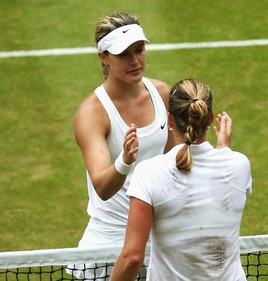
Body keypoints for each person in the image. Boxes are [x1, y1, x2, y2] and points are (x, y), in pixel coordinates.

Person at [110, 78, 253, 281]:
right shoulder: (238, 165)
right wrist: (224, 151)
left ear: (169, 120)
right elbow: (214, 182)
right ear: (210, 118)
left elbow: (132, 257)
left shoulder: (149, 173)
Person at [66, 11, 173, 280]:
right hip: (110, 244)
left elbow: (175, 159)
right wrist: (124, 161)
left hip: (158, 240)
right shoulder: (92, 114)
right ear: (103, 57)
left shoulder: (162, 94)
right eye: (124, 54)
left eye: (140, 50)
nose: (135, 61)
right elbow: (102, 187)